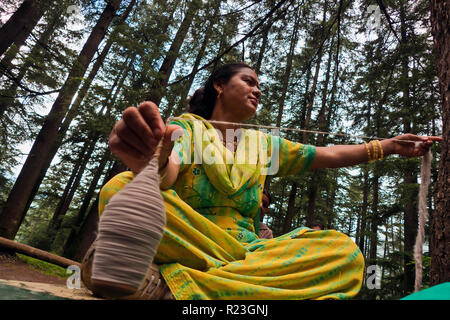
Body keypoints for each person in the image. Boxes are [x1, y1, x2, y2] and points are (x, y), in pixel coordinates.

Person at [82, 62, 442, 300]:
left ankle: (167, 288)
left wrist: (389, 146)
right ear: (220, 86)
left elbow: (327, 155)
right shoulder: (188, 127)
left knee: (344, 252)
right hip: (197, 240)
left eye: (260, 86)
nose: (257, 90)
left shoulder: (263, 144)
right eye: (249, 82)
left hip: (249, 251)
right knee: (119, 188)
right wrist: (152, 161)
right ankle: (235, 284)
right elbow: (169, 166)